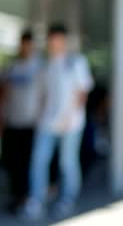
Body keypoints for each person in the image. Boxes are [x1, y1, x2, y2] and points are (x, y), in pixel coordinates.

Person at [19, 24, 94, 220]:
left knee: (67, 162)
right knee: (39, 160)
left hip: (71, 123)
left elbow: (82, 92)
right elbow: (43, 94)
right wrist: (39, 115)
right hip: (47, 122)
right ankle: (36, 200)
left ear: (64, 41)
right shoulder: (46, 65)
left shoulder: (76, 62)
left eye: (57, 40)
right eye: (51, 40)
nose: (54, 43)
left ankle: (67, 199)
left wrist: (70, 117)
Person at [0, 30, 41, 212]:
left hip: (31, 124)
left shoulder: (40, 67)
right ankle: (16, 197)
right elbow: (4, 94)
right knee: (12, 162)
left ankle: (27, 198)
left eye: (29, 44)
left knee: (28, 163)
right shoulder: (12, 67)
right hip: (12, 122)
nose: (26, 48)